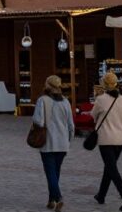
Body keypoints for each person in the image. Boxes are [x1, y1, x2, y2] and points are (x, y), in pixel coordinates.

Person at [91, 72, 122, 211]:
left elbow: (94, 116)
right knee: (109, 167)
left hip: (105, 139)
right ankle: (101, 195)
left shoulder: (100, 99)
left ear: (104, 84)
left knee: (111, 168)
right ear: (116, 84)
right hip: (120, 140)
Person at [33, 75, 75, 210]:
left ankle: (58, 197)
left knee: (50, 172)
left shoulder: (42, 100)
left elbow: (38, 121)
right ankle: (52, 200)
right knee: (55, 172)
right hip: (62, 143)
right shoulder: (66, 102)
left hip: (48, 142)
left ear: (47, 85)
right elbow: (71, 125)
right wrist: (69, 141)